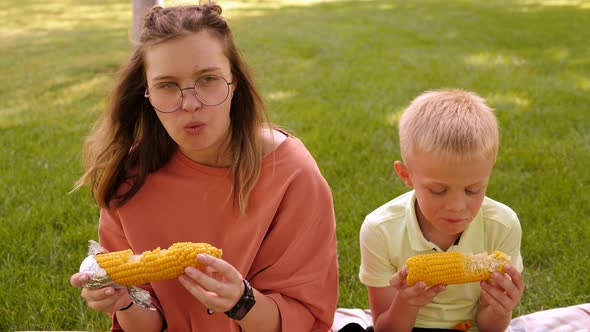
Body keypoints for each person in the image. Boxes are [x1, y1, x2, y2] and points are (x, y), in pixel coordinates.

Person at [69, 3, 338, 331]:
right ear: (147, 93)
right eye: (167, 85)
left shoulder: (292, 175)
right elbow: (148, 325)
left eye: (208, 79)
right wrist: (123, 301)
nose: (190, 103)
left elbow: (304, 321)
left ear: (234, 82)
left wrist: (241, 300)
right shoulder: (129, 178)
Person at [358, 89, 525, 332]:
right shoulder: (380, 229)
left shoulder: (502, 225)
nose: (457, 207)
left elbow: (491, 328)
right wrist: (406, 302)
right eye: (438, 190)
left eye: (473, 190)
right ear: (406, 175)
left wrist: (500, 308)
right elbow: (385, 329)